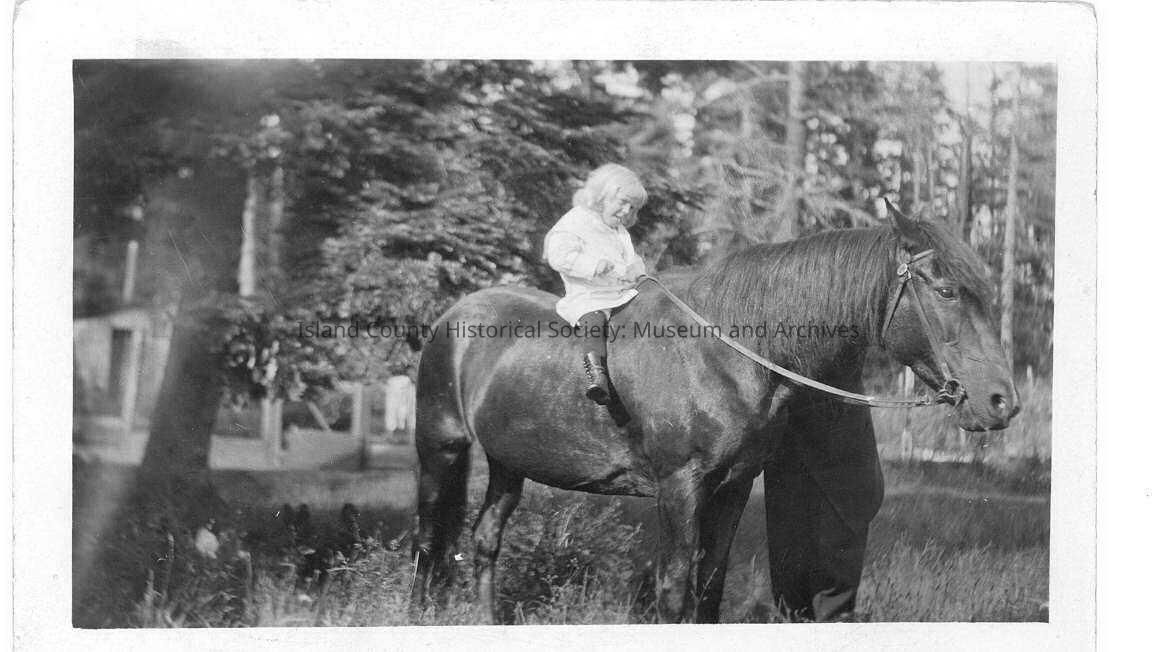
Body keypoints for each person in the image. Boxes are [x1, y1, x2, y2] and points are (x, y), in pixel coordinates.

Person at [544, 164, 648, 405]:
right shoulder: (577, 221)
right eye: (623, 202)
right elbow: (558, 255)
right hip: (590, 295)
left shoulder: (619, 231)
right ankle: (597, 375)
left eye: (632, 207)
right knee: (594, 320)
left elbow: (630, 259)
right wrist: (591, 265)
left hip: (620, 293)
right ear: (602, 195)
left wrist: (635, 270)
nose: (626, 211)